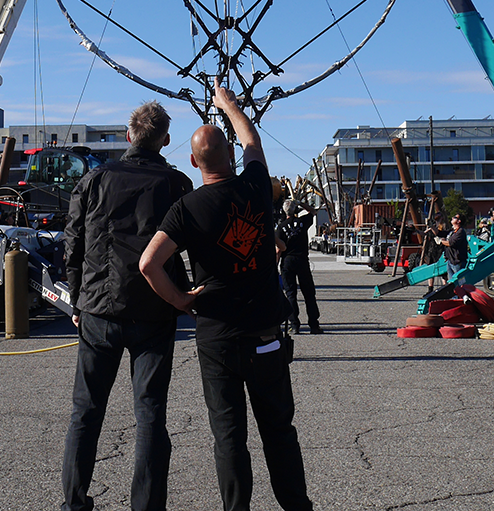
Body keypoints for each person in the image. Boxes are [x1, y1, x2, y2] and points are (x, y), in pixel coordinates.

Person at [140, 77, 313, 511]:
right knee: (279, 430)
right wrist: (228, 103)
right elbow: (251, 138)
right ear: (229, 156)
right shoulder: (255, 187)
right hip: (265, 333)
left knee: (229, 436)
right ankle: (296, 506)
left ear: (195, 163)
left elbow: (149, 264)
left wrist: (180, 300)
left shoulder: (186, 209)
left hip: (216, 335)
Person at [60, 101, 193, 511]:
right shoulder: (177, 184)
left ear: (129, 135)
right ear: (165, 141)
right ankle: (147, 506)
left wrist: (77, 295)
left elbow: (73, 242)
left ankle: (74, 503)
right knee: (150, 411)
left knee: (86, 410)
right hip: (154, 307)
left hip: (99, 306)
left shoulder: (96, 179)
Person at [277, 200, 322, 335]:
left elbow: (279, 249)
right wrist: (300, 203)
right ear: (295, 211)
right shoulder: (302, 222)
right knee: (309, 293)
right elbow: (313, 212)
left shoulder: (280, 227)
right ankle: (314, 325)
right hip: (302, 260)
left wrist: (275, 265)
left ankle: (294, 324)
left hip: (287, 261)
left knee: (291, 294)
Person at [440, 213, 468, 280]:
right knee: (451, 283)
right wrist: (432, 227)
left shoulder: (460, 231)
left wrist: (441, 241)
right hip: (451, 260)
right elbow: (440, 233)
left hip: (458, 262)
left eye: (455, 217)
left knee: (459, 282)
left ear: (459, 221)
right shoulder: (452, 231)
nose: (452, 218)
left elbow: (451, 243)